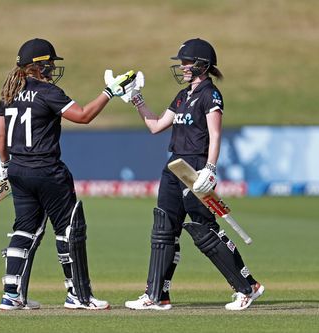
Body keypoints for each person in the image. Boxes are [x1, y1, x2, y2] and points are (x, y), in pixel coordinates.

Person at [123, 38, 264, 311]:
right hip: (174, 166)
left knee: (204, 230)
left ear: (203, 65)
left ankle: (248, 287)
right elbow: (156, 126)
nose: (183, 67)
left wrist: (210, 169)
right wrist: (137, 99)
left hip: (195, 168)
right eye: (182, 63)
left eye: (186, 63)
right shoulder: (182, 95)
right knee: (164, 228)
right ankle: (156, 295)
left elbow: (215, 134)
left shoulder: (211, 95)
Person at [0, 38, 135, 310]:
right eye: (48, 64)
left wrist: (4, 166)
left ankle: (11, 294)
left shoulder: (8, 94)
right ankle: (78, 295)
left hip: (18, 170)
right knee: (69, 230)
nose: (51, 69)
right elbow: (82, 116)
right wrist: (110, 92)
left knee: (24, 229)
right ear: (36, 66)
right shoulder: (49, 92)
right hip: (47, 170)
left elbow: (0, 136)